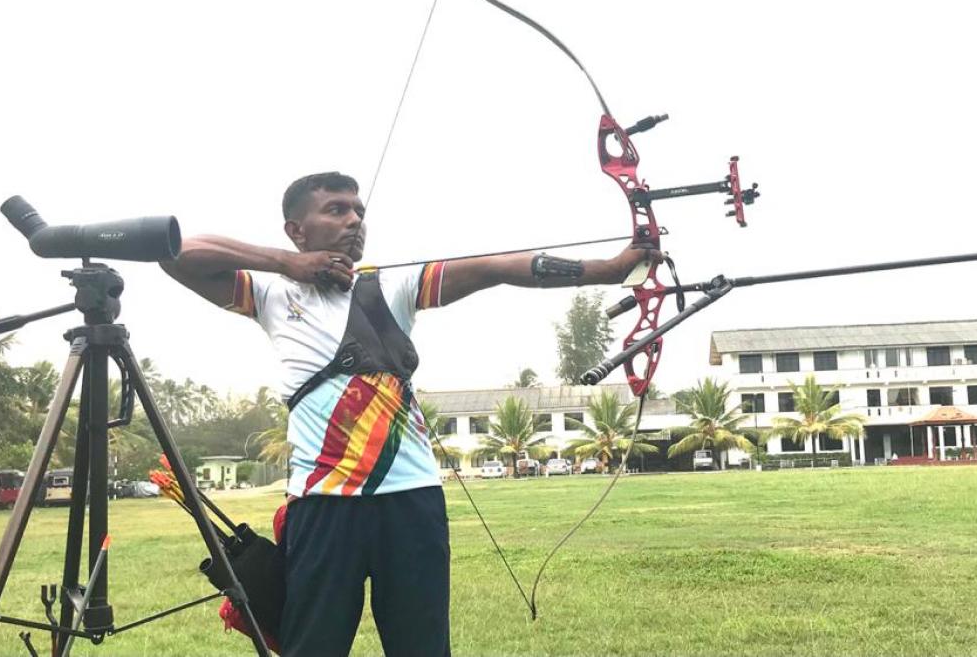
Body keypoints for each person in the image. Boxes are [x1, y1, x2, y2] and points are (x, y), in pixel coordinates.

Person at [160, 171, 656, 656]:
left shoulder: (391, 285)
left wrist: (608, 270)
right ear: (296, 229)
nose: (355, 220)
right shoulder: (270, 294)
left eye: (359, 210)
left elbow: (496, 267)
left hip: (411, 503)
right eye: (336, 210)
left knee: (420, 645)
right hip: (323, 504)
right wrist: (287, 264)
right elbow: (176, 252)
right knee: (313, 644)